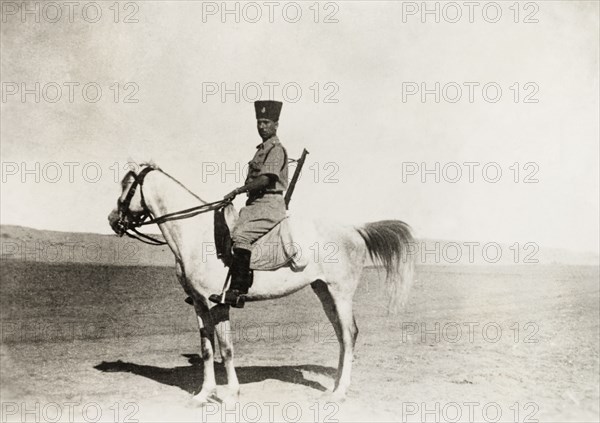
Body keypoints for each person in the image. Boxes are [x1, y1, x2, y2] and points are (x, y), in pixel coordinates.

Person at [209, 100, 288, 308]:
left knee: (241, 234)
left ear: (276, 125)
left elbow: (265, 180)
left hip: (269, 204)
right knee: (224, 223)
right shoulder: (261, 149)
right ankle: (210, 284)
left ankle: (238, 290)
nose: (262, 126)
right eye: (259, 122)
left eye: (266, 122)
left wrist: (238, 190)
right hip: (255, 204)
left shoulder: (276, 149)